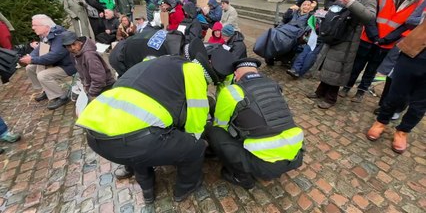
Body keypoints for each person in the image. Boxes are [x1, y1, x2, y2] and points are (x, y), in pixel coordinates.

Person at [76, 39, 235, 203]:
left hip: (94, 134)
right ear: (209, 75)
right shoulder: (194, 71)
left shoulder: (156, 61)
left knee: (135, 145)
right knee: (195, 148)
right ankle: (186, 187)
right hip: (134, 141)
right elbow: (196, 123)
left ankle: (147, 189)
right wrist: (190, 142)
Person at [207, 58, 304, 189]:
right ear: (255, 71)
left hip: (264, 165)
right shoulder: (274, 85)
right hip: (295, 157)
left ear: (236, 74)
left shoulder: (231, 91)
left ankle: (242, 178)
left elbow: (221, 125)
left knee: (214, 131)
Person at [340, 0, 423, 103]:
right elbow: (371, 13)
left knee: (372, 69)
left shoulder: (420, 2)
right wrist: (373, 34)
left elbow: (408, 24)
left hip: (388, 42)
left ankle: (361, 91)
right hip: (369, 36)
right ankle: (346, 86)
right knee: (357, 65)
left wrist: (388, 39)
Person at [366, 0, 426, 154]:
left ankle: (403, 131)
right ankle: (381, 121)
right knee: (396, 93)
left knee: (420, 104)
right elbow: (411, 20)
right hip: (413, 52)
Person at [307, 0, 377, 109]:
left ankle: (331, 98)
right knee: (328, 64)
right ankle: (320, 91)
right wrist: (326, 13)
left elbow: (370, 17)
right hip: (334, 33)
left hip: (348, 38)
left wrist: (351, 2)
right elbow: (336, 10)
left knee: (337, 67)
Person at [374, 0, 426, 119]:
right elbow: (410, 20)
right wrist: (423, 20)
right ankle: (384, 110)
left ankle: (398, 113)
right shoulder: (423, 0)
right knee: (395, 79)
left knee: (417, 90)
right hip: (410, 46)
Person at [20, 14, 77, 110]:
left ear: (46, 27)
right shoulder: (45, 34)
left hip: (68, 65)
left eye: (35, 25)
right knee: (30, 68)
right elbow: (40, 48)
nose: (32, 28)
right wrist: (30, 56)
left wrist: (32, 60)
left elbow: (53, 57)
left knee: (43, 75)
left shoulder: (59, 36)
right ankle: (47, 90)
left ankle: (62, 97)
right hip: (56, 63)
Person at [61, 31, 115, 100]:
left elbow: (99, 79)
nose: (73, 48)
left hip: (104, 87)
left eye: (74, 44)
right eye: (69, 46)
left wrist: (91, 93)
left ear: (78, 41)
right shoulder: (73, 54)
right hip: (92, 87)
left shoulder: (89, 55)